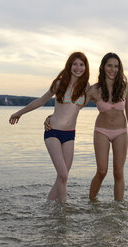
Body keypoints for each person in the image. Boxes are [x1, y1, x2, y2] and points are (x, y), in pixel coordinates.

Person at [45, 52, 128, 201]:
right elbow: (73, 107)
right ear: (103, 67)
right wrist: (52, 118)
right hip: (102, 131)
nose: (112, 69)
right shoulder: (94, 90)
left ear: (119, 69)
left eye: (116, 66)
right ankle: (92, 202)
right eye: (109, 66)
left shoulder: (125, 87)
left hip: (121, 132)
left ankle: (119, 210)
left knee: (119, 172)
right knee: (102, 171)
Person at [9, 52, 90, 203]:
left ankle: (48, 205)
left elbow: (77, 108)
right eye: (75, 64)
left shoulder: (86, 87)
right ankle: (63, 213)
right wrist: (19, 113)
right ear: (69, 65)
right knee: (64, 175)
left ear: (86, 67)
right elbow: (40, 101)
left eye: (81, 64)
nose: (78, 68)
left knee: (62, 176)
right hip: (52, 132)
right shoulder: (59, 83)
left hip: (70, 135)